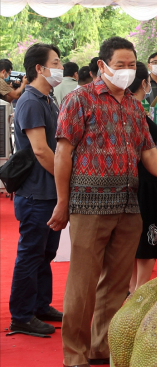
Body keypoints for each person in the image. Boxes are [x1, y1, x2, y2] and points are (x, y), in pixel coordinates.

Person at [49, 36, 157, 367]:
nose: (127, 71)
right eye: (120, 65)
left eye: (131, 65)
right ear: (102, 66)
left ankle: (100, 346)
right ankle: (75, 355)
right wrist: (62, 202)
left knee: (116, 284)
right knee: (83, 284)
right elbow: (63, 152)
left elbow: (147, 150)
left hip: (128, 205)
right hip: (88, 205)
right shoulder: (80, 101)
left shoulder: (135, 106)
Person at [9, 43, 63, 336]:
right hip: (35, 193)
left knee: (45, 253)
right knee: (31, 254)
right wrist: (65, 180)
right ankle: (21, 314)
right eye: (55, 62)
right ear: (39, 68)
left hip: (47, 192)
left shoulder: (47, 99)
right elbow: (41, 151)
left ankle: (41, 305)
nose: (60, 66)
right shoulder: (31, 101)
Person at [126, 62, 157, 294]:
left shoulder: (130, 108)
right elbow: (148, 152)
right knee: (149, 237)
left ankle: (133, 288)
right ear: (144, 83)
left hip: (135, 182)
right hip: (145, 183)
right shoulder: (133, 111)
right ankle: (140, 290)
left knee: (135, 238)